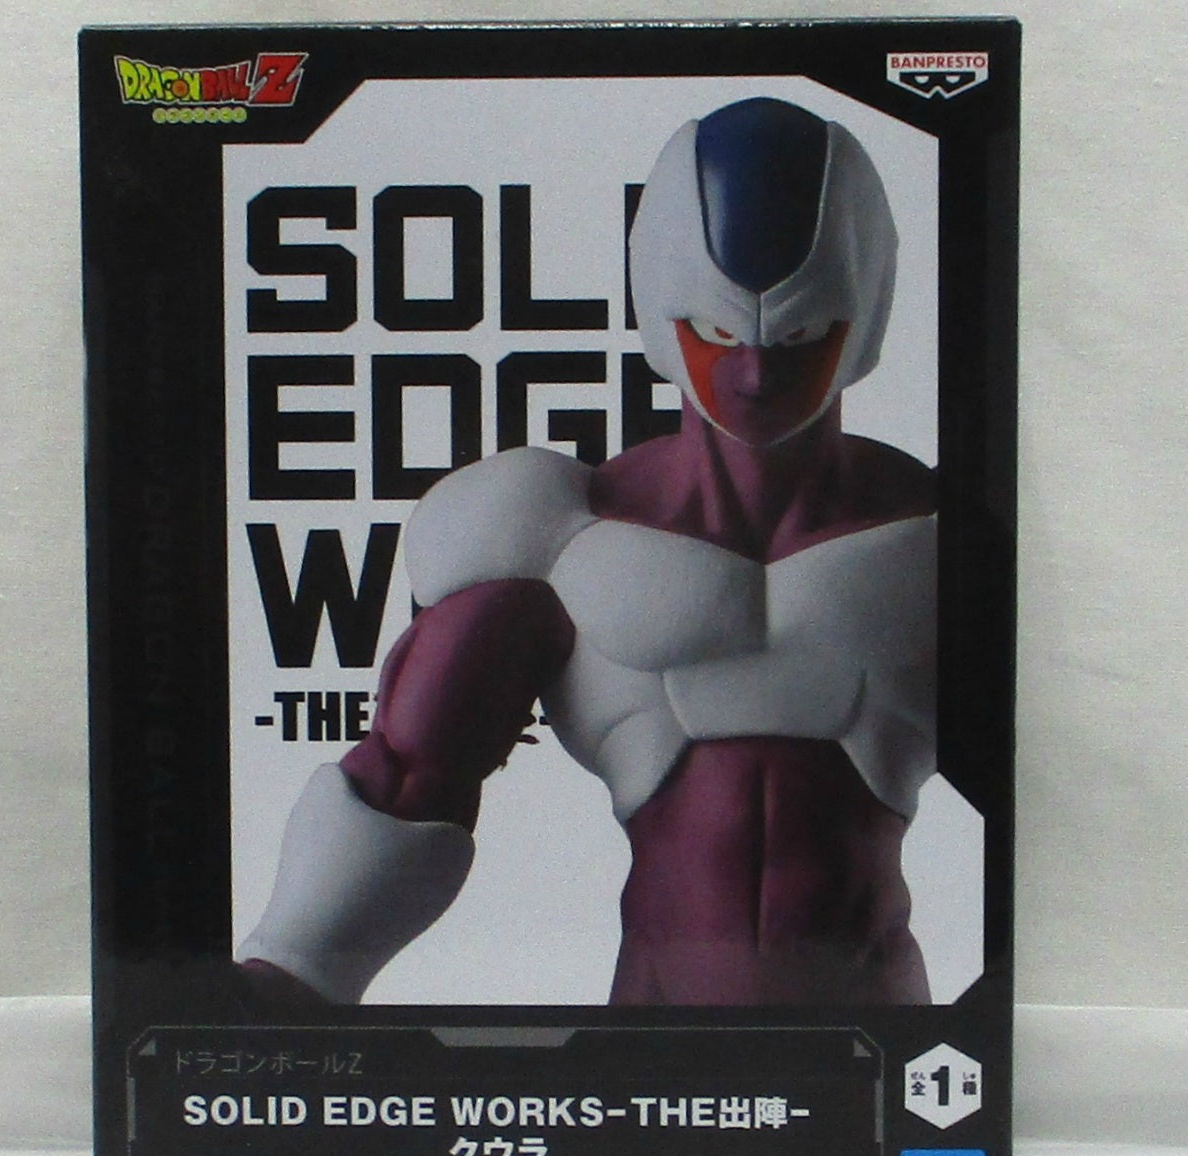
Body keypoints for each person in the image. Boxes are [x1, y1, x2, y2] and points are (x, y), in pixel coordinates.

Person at [238, 97, 936, 1006]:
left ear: (864, 312)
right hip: (648, 1045)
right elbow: (407, 777)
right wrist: (289, 978)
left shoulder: (944, 544)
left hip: (883, 1042)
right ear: (662, 310)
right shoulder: (554, 537)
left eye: (801, 334)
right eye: (719, 332)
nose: (757, 371)